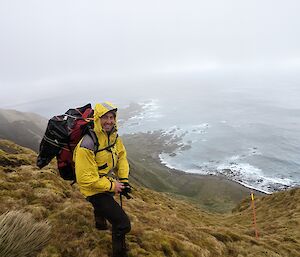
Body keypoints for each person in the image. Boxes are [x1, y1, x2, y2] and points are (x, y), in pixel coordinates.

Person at [74, 102, 131, 257]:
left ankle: (100, 224)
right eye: (104, 117)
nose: (109, 121)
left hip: (103, 181)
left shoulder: (113, 137)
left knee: (106, 203)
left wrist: (124, 180)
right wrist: (113, 186)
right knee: (122, 224)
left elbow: (122, 157)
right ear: (97, 119)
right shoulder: (87, 144)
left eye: (112, 117)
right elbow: (85, 179)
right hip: (92, 189)